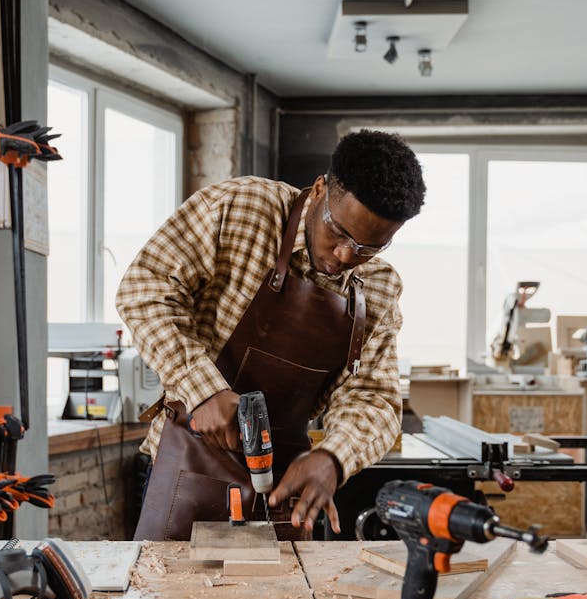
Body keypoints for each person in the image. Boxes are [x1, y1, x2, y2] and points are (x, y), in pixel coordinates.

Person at [116, 129, 425, 541]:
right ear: (319, 190)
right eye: (339, 234)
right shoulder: (241, 209)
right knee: (169, 595)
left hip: (286, 479)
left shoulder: (378, 288)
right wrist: (203, 389)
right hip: (192, 457)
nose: (347, 257)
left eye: (370, 247)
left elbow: (373, 397)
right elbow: (144, 290)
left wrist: (333, 458)